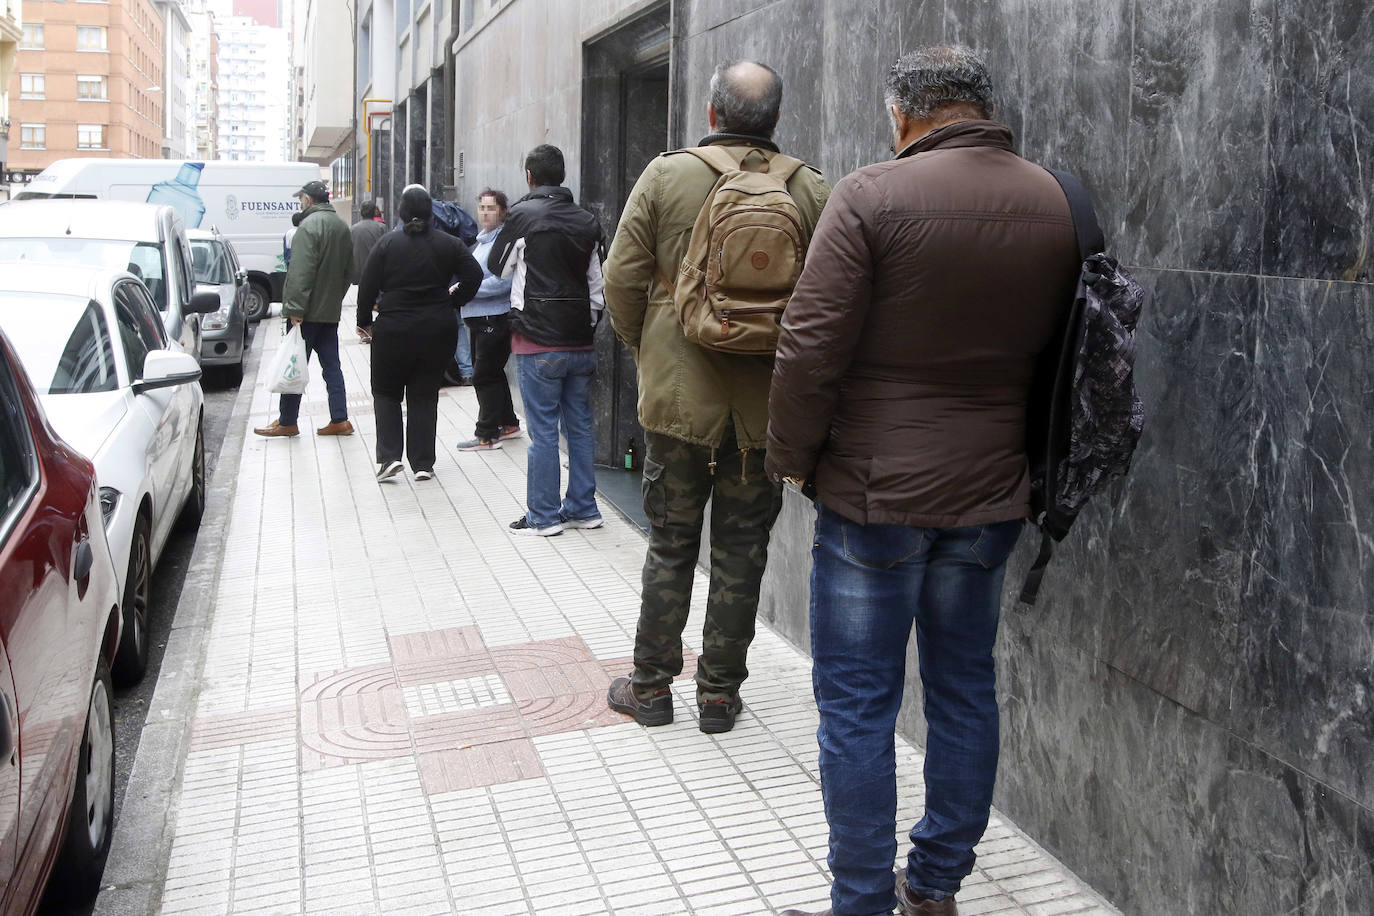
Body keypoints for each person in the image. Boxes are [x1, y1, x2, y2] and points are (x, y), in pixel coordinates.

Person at [766, 46, 1082, 916]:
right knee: (964, 690)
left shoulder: (870, 194)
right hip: (992, 495)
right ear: (980, 107)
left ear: (904, 115)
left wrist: (789, 458)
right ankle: (935, 884)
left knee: (861, 707)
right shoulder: (1057, 201)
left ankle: (862, 901)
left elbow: (810, 345)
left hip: (875, 496)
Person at [601, 60, 830, 735]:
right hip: (764, 415)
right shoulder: (810, 189)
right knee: (742, 551)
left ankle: (649, 690)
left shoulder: (667, 176)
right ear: (777, 120)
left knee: (670, 543)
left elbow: (620, 279)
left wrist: (650, 348)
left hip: (677, 404)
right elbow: (828, 306)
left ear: (711, 114)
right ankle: (719, 696)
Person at [488, 144, 604, 536]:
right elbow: (597, 287)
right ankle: (585, 508)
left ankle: (544, 514)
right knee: (580, 427)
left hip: (537, 341)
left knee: (542, 432)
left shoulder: (522, 215)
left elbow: (499, 269)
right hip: (579, 342)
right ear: (563, 175)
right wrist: (585, 328)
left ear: (529, 176)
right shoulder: (587, 220)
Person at [357, 185, 483, 481]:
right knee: (424, 395)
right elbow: (474, 275)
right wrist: (452, 301)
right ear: (431, 212)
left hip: (393, 329)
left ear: (401, 212)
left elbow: (367, 285)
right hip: (436, 328)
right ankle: (423, 463)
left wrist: (364, 320)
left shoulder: (387, 244)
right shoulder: (448, 244)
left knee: (386, 392)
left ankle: (389, 458)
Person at [254, 179, 356, 438]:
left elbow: (301, 272)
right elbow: (348, 273)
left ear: (308, 200)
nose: (300, 203)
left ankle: (288, 421)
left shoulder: (307, 227)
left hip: (306, 313)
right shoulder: (342, 227)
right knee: (332, 366)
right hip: (329, 312)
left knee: (294, 363)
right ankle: (340, 418)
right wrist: (333, 299)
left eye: (301, 199)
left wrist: (296, 308)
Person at [456, 189, 522, 450]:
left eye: (491, 208)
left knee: (484, 375)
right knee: (492, 372)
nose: (485, 212)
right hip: (479, 317)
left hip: (493, 318)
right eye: (482, 207)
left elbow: (502, 282)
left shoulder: (501, 242)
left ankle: (487, 434)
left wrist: (466, 290)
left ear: (503, 211)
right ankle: (508, 423)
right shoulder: (483, 241)